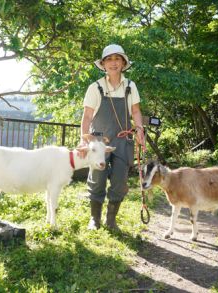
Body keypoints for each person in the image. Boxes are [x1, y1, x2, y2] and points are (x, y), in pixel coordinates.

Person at [78, 44, 145, 230]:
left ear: (123, 63)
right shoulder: (95, 87)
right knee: (97, 179)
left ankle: (111, 220)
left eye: (117, 59)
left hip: (123, 140)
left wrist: (139, 130)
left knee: (120, 181)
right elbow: (87, 117)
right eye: (109, 59)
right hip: (98, 141)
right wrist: (84, 139)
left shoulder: (131, 86)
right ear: (103, 64)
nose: (113, 63)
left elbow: (136, 111)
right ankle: (95, 219)